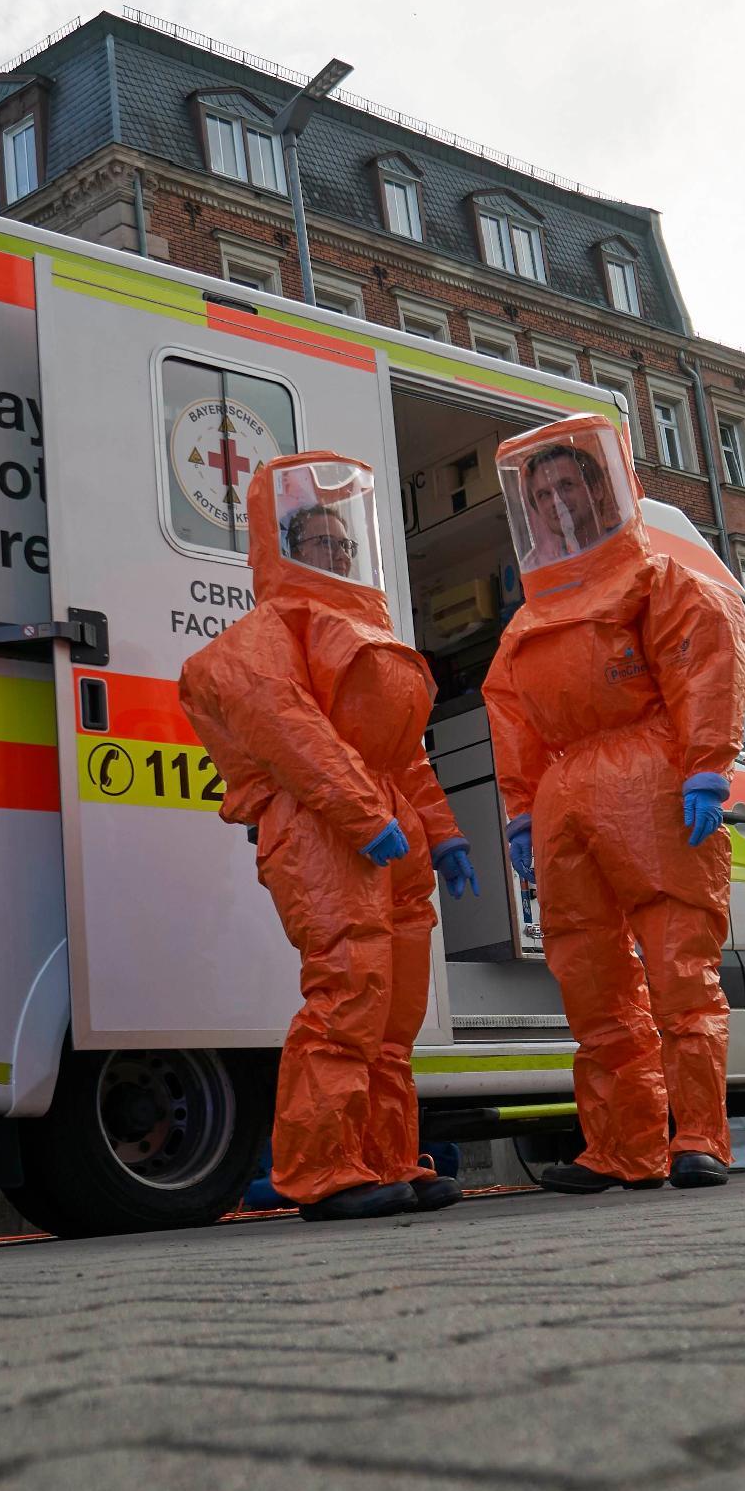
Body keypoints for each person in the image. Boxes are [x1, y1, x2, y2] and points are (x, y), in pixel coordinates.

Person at [179, 453, 481, 1222]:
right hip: (322, 829)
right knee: (347, 993)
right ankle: (321, 1169)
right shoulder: (270, 631)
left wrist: (440, 835)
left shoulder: (358, 625)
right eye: (320, 541)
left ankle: (384, 1160)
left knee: (392, 1015)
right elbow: (293, 735)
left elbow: (402, 751)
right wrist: (365, 815)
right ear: (281, 547)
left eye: (344, 541)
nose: (338, 552)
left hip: (384, 829)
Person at [483, 414, 745, 1193]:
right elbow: (512, 717)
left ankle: (698, 1135)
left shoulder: (659, 579)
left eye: (569, 483)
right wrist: (524, 811)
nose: (556, 503)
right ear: (526, 511)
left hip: (652, 777)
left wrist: (705, 768)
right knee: (590, 978)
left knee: (677, 969)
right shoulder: (528, 619)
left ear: (603, 487)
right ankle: (623, 1147)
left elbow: (704, 660)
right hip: (569, 798)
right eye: (542, 493)